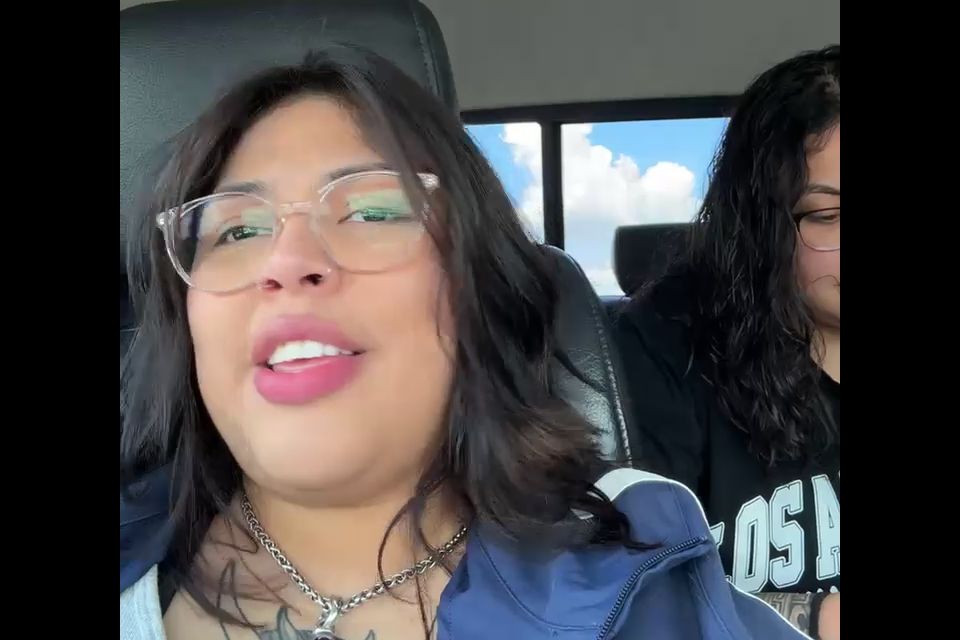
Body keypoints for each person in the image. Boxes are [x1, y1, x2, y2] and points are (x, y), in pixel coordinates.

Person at [120, 44, 806, 640]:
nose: (286, 261)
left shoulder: (655, 580)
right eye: (236, 230)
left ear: (479, 289)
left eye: (373, 211)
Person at [612, 45, 840, 639]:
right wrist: (818, 618)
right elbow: (619, 596)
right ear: (763, 222)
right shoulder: (661, 353)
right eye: (828, 215)